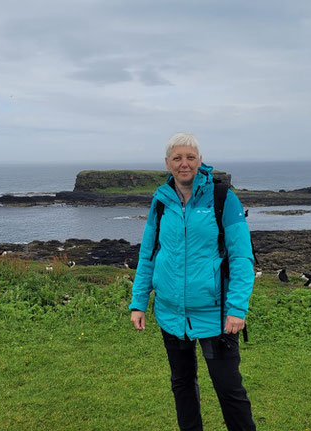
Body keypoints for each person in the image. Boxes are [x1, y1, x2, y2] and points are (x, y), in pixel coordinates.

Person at [129, 133, 256, 431]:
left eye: (189, 157)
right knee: (182, 385)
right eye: (177, 158)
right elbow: (148, 254)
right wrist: (139, 303)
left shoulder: (223, 198)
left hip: (215, 316)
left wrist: (237, 307)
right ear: (167, 163)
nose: (183, 163)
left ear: (199, 160)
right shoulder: (161, 202)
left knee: (230, 392)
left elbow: (241, 257)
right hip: (171, 314)